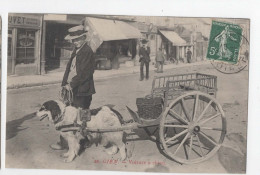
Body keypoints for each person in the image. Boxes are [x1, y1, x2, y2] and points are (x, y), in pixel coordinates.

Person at [50, 25, 96, 150]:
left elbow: (85, 73)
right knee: (67, 117)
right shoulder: (77, 50)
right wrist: (63, 84)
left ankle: (84, 140)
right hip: (72, 89)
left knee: (82, 117)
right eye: (74, 40)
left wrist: (71, 84)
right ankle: (65, 142)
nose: (75, 42)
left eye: (78, 39)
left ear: (84, 38)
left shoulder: (87, 51)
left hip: (83, 91)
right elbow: (69, 69)